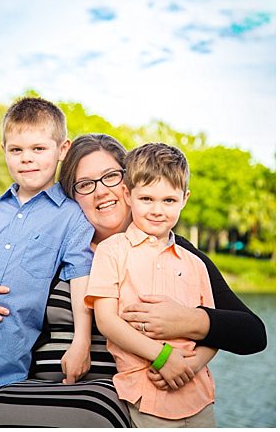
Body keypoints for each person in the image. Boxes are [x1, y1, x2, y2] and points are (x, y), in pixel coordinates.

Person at [0, 133, 267, 427]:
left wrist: (188, 321)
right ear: (71, 196)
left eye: (110, 177)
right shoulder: (50, 249)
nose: (101, 191)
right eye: (85, 184)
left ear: (127, 184)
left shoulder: (177, 254)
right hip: (36, 394)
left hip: (121, 402)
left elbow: (252, 333)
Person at [0, 97, 95, 427]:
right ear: (3, 150)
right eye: (16, 150)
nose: (26, 158)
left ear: (62, 149)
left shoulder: (71, 218)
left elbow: (80, 277)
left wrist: (81, 342)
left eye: (38, 149)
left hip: (6, 374)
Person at [87, 143, 215, 427]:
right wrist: (163, 358)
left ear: (184, 199)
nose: (158, 210)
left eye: (169, 200)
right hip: (147, 392)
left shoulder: (196, 264)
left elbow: (212, 333)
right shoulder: (113, 251)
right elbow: (106, 321)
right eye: (146, 198)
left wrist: (188, 367)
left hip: (199, 394)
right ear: (127, 195)